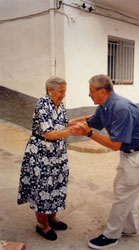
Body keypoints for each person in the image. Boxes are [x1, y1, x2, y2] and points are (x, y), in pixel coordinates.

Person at [70, 74, 139, 249]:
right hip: (130, 152)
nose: (89, 95)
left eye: (90, 91)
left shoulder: (120, 108)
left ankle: (111, 235)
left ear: (102, 91)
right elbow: (93, 122)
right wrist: (70, 123)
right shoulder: (103, 107)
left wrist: (88, 134)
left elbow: (115, 145)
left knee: (124, 192)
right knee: (122, 188)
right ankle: (129, 228)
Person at [17, 76, 91, 241]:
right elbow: (49, 133)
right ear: (50, 90)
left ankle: (52, 218)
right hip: (41, 154)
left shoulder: (60, 105)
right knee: (43, 188)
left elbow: (63, 123)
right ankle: (42, 225)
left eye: (65, 91)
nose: (64, 94)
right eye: (61, 91)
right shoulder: (42, 104)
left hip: (58, 154)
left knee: (57, 183)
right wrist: (73, 131)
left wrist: (83, 119)